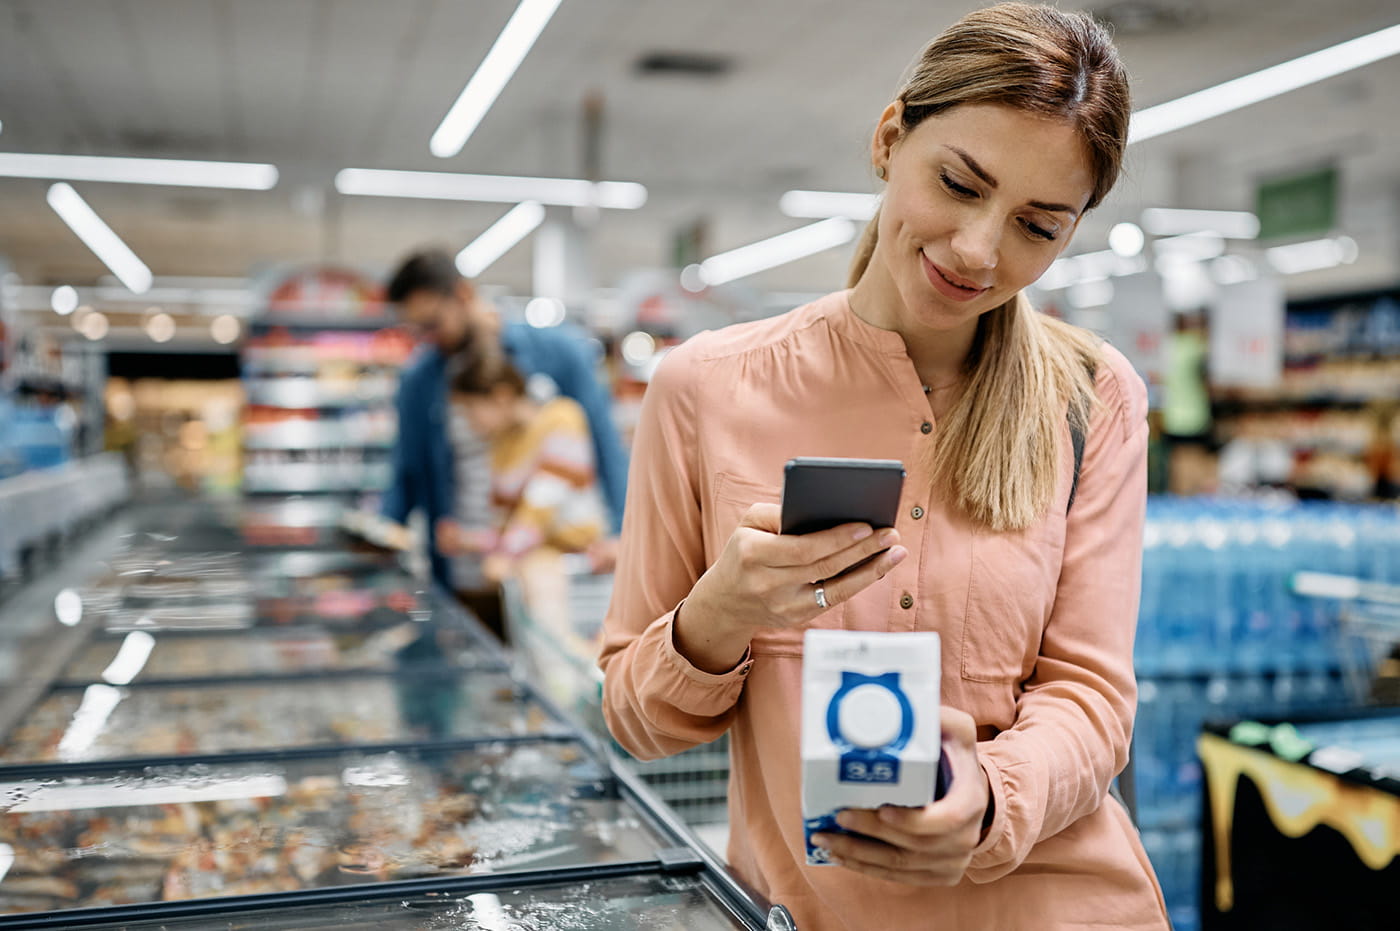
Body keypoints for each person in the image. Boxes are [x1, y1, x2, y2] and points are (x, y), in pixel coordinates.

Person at [598, 4, 1169, 929]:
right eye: (958, 183)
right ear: (889, 138)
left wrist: (991, 797)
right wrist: (718, 615)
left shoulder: (1093, 397)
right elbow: (637, 720)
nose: (979, 250)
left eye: (1037, 225)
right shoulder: (705, 387)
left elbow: (1093, 699)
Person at [379, 250, 629, 597]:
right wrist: (382, 536)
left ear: (463, 294)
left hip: (547, 569)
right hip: (464, 572)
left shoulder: (558, 354)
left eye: (433, 324)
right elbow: (408, 470)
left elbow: (605, 449)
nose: (427, 338)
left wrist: (622, 534)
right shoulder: (419, 381)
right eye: (416, 330)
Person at [444, 345, 606, 584]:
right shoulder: (502, 444)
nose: (469, 420)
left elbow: (541, 506)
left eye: (470, 408)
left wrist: (506, 554)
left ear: (501, 396)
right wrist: (467, 540)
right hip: (529, 570)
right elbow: (508, 525)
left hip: (577, 567)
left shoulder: (562, 418)